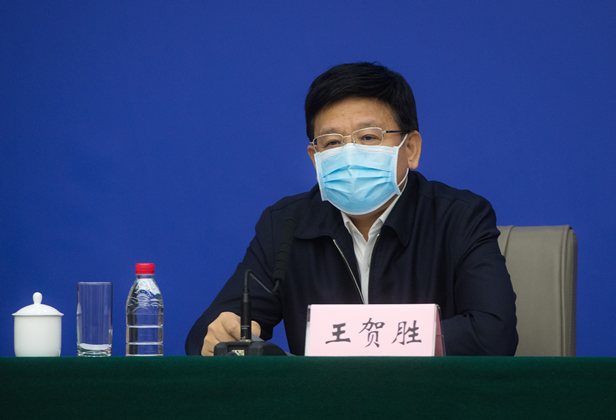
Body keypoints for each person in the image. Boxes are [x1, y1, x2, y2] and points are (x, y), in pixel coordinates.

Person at [185, 62, 518, 356]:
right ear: (315, 158)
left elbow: (493, 333)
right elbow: (205, 335)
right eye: (332, 142)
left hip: (429, 397)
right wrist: (219, 334)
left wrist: (364, 342)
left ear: (411, 149)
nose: (349, 153)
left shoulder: (459, 217)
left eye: (368, 137)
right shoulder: (286, 225)